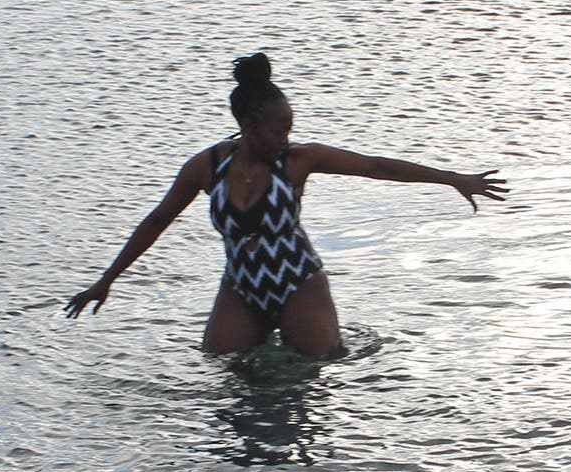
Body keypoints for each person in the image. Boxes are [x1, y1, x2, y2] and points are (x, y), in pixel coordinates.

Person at [65, 53, 509, 356]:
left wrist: (452, 178)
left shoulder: (298, 161)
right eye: (278, 129)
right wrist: (106, 281)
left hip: (298, 281)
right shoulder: (206, 166)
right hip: (241, 285)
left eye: (290, 127)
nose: (286, 137)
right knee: (223, 371)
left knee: (316, 372)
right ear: (246, 125)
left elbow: (373, 165)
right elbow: (158, 220)